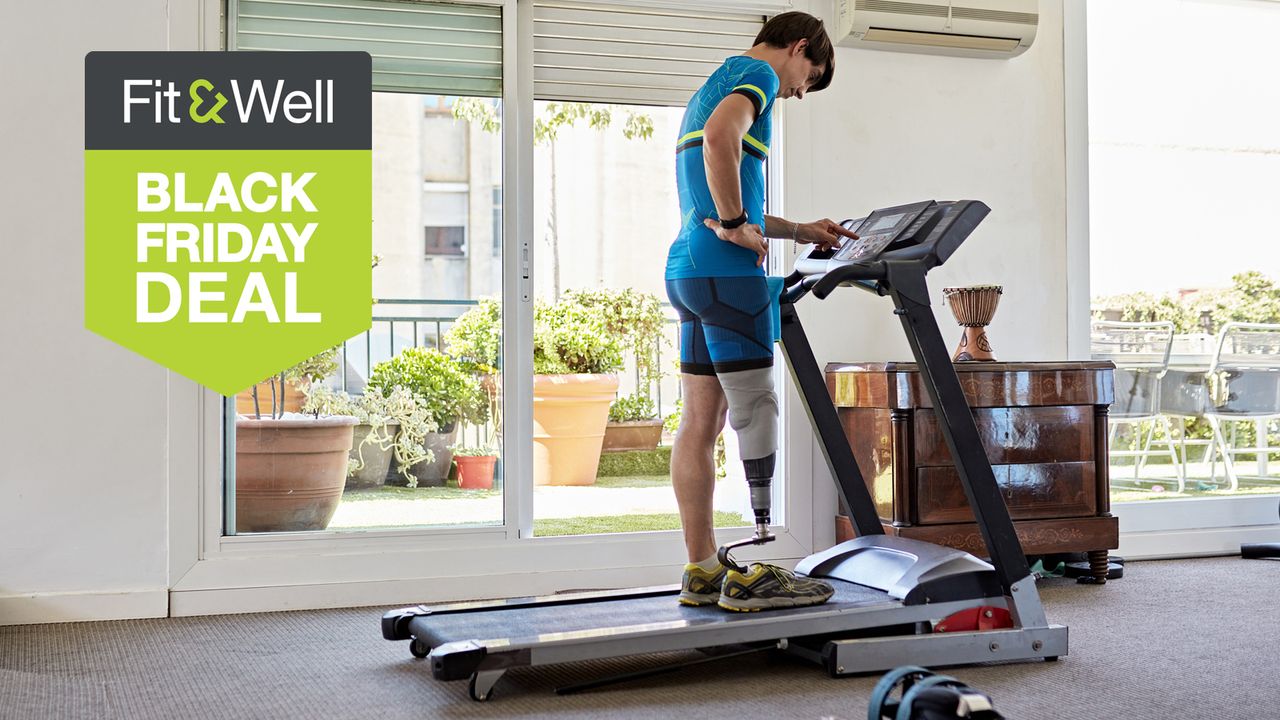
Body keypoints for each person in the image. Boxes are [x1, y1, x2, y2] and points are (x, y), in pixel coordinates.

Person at [665, 11, 859, 612]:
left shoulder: (714, 83)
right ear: (799, 47)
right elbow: (725, 141)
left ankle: (701, 568)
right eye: (809, 76)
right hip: (728, 276)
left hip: (688, 269)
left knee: (702, 423)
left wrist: (798, 229)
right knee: (756, 408)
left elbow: (726, 185)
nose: (800, 91)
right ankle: (756, 558)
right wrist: (731, 225)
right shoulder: (758, 76)